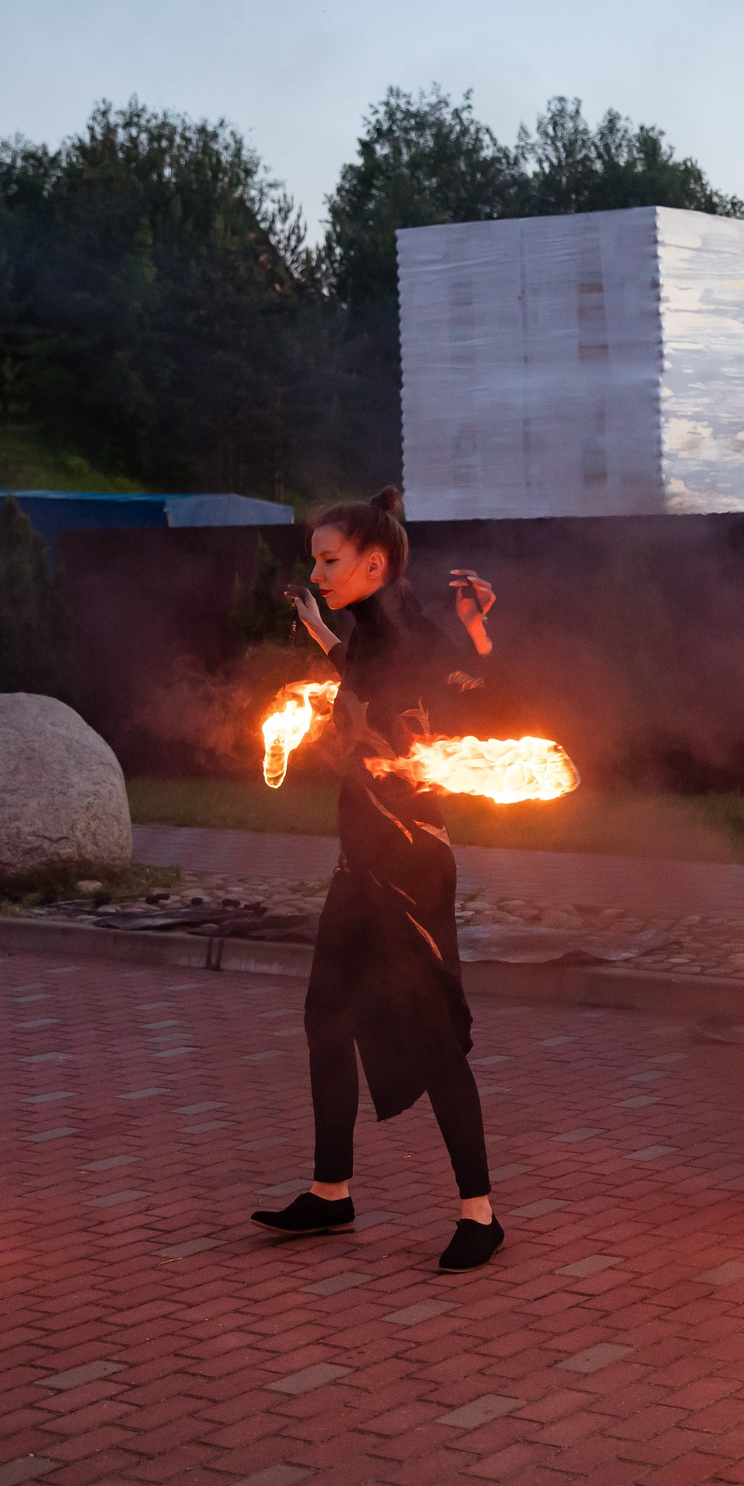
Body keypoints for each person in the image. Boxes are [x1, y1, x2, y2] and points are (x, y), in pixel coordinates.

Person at [249, 487, 509, 1272]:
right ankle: (332, 1194)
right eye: (316, 559)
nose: (319, 569)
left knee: (430, 1035)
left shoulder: (417, 634)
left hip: (408, 863)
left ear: (375, 562)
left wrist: (478, 634)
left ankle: (481, 1213)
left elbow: (474, 690)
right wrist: (316, 627)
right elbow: (358, 668)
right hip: (357, 863)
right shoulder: (370, 630)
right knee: (326, 1015)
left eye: (331, 560)